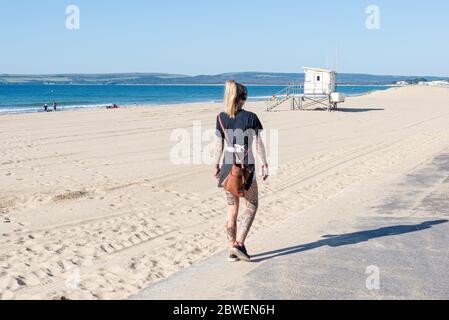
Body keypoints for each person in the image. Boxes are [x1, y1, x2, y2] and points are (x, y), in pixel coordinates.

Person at [214, 80, 269, 263]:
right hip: (246, 170)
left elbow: (218, 144)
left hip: (227, 170)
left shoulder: (220, 117)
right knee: (252, 205)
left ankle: (231, 250)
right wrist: (265, 163)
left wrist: (216, 164)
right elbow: (258, 143)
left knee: (232, 209)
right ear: (242, 98)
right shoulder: (251, 117)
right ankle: (238, 244)